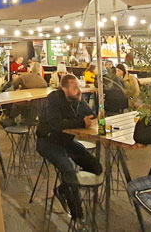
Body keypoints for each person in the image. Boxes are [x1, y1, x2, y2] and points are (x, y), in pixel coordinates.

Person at [36, 74, 102, 220]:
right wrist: (80, 122)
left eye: (78, 87)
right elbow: (55, 124)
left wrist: (92, 116)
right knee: (69, 169)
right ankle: (77, 217)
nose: (79, 90)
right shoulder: (54, 98)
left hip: (66, 142)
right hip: (48, 142)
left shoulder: (77, 99)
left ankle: (62, 190)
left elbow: (91, 115)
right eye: (74, 88)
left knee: (96, 167)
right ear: (64, 89)